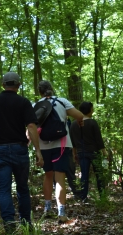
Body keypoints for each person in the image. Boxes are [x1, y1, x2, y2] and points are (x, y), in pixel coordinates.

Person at [0, 72, 43, 235]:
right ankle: (27, 224)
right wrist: (38, 151)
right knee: (22, 188)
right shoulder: (23, 102)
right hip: (19, 149)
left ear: (3, 85)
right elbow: (32, 127)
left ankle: (9, 226)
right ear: (18, 85)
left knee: (4, 189)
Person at [36, 80, 84, 223]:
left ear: (39, 92)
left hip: (43, 145)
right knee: (60, 179)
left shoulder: (36, 105)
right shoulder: (62, 102)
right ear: (51, 89)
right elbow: (80, 116)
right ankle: (61, 213)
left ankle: (47, 208)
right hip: (62, 144)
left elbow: (31, 126)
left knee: (48, 176)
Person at [69, 101, 108, 202]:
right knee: (99, 174)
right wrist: (104, 152)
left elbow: (73, 142)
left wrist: (74, 154)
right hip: (94, 152)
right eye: (92, 108)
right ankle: (102, 196)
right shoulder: (92, 122)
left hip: (81, 153)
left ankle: (83, 197)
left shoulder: (73, 125)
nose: (93, 110)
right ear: (89, 110)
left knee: (84, 175)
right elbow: (98, 139)